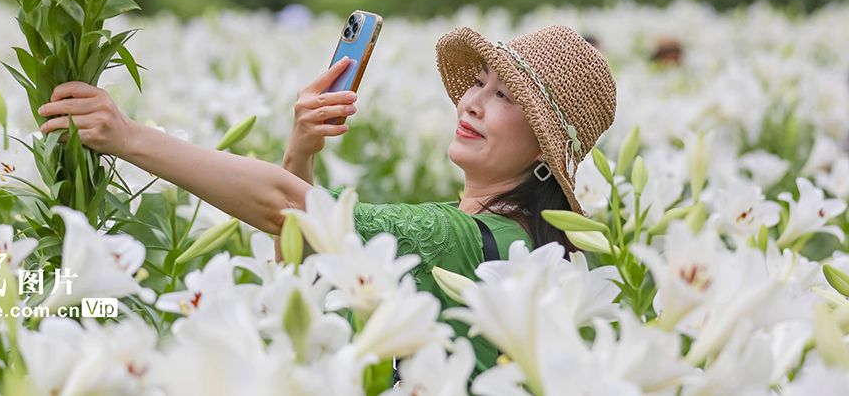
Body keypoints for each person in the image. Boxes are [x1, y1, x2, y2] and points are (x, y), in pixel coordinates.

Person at [36, 23, 617, 377]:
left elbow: (289, 211)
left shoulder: (474, 241)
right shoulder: (519, 241)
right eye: (479, 82)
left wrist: (129, 136)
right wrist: (301, 150)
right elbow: (303, 270)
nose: (472, 103)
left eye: (506, 97)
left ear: (545, 151)